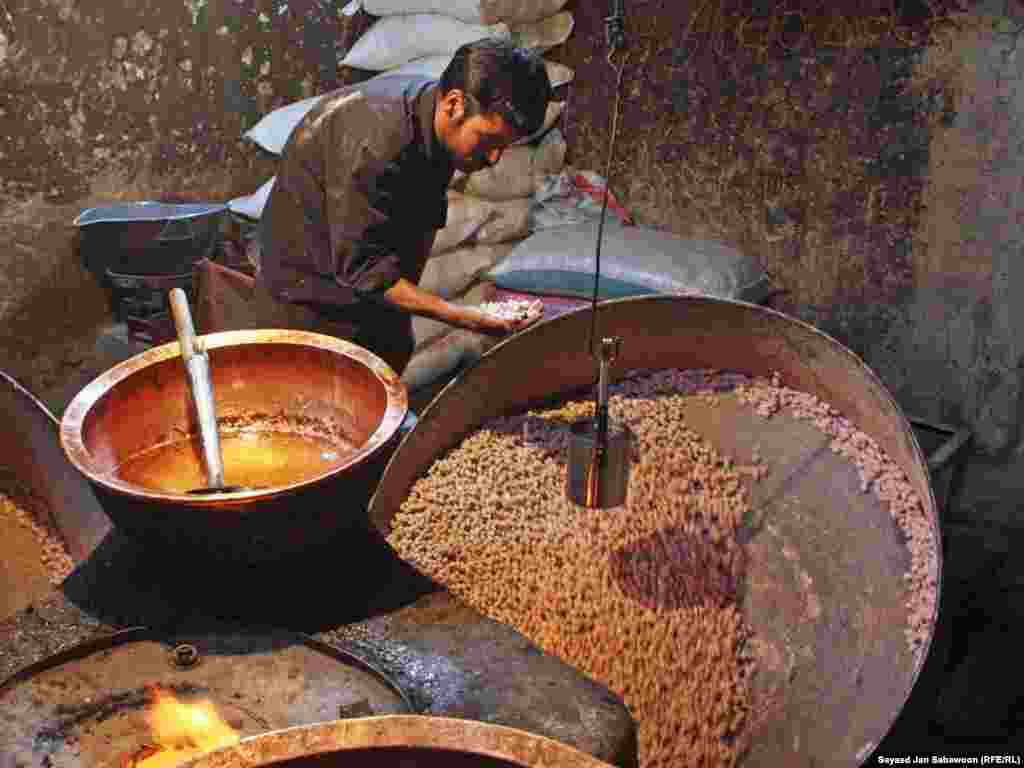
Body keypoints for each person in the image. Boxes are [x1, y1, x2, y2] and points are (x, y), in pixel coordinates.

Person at [200, 38, 551, 376]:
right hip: (309, 306)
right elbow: (364, 272)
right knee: (323, 416)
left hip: (367, 304)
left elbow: (414, 230)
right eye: (489, 141)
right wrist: (463, 315)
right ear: (454, 104)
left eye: (505, 146)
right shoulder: (375, 142)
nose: (494, 158)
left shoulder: (437, 126)